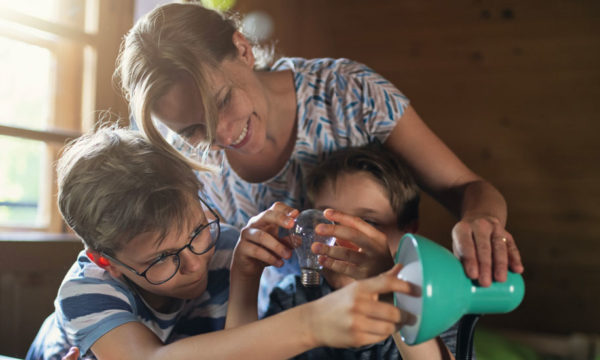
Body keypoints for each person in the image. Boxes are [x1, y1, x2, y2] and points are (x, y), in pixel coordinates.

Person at [114, 2, 523, 315]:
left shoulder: (349, 94)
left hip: (383, 301)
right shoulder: (189, 170)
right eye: (192, 130)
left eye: (221, 101)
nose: (221, 135)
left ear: (242, 49)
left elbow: (465, 188)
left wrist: (479, 220)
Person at [26, 128, 418, 360]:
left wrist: (244, 276)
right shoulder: (86, 291)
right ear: (105, 260)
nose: (196, 263)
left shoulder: (222, 246)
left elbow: (238, 351)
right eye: (162, 259)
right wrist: (313, 324)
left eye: (197, 229)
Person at [264, 144, 459, 359]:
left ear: (408, 232)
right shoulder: (292, 297)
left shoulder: (438, 300)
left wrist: (388, 292)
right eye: (326, 222)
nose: (340, 240)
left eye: (368, 222)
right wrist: (245, 279)